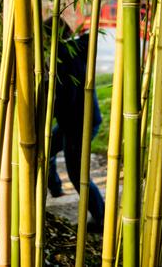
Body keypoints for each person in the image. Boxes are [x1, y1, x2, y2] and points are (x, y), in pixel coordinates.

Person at [45, 17, 105, 233]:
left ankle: (101, 218)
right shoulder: (71, 50)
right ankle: (55, 188)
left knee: (78, 174)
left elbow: (65, 97)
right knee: (47, 147)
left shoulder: (63, 57)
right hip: (78, 119)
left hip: (79, 124)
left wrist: (47, 112)